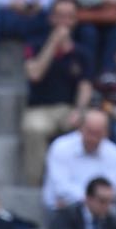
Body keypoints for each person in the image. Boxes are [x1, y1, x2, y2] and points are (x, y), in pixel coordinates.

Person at [25, 13, 102, 196]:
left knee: (91, 126)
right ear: (51, 19)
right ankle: (36, 184)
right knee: (33, 129)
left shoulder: (83, 53)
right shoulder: (34, 45)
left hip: (69, 108)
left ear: (75, 21)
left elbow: (85, 85)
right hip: (39, 108)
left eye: (67, 17)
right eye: (59, 16)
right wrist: (52, 45)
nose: (63, 22)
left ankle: (82, 184)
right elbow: (35, 74)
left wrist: (80, 110)